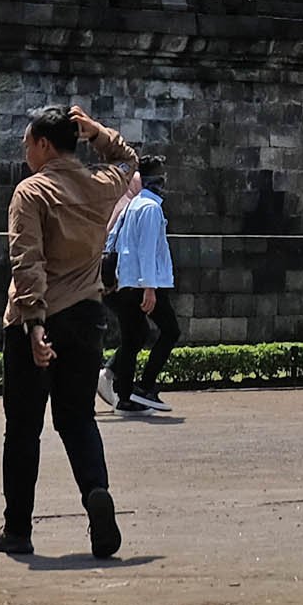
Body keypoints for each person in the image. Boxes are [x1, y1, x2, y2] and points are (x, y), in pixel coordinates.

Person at [0, 104, 141, 560]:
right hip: (87, 315)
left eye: (27, 144)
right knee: (77, 419)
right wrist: (98, 132)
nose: (25, 152)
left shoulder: (32, 192)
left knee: (23, 427)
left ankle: (17, 527)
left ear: (42, 144)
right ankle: (95, 490)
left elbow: (27, 261)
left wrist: (35, 322)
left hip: (37, 321)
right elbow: (129, 163)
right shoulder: (98, 187)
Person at [108, 161, 179, 416]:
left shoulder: (132, 206)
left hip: (127, 281)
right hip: (144, 282)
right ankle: (146, 386)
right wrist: (150, 288)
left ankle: (125, 396)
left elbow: (112, 241)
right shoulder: (150, 208)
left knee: (133, 337)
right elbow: (147, 250)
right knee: (170, 330)